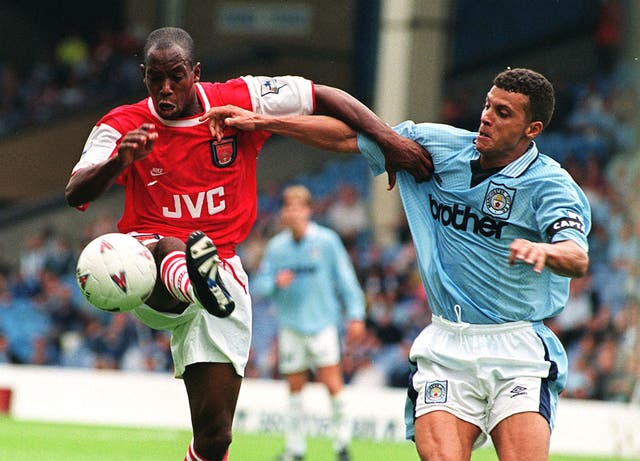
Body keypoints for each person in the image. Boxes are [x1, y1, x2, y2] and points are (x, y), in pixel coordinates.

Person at [64, 26, 431, 461]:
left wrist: (389, 140)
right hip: (150, 264)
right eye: (155, 78)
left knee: (215, 437)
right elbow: (76, 191)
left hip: (222, 269)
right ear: (143, 75)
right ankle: (193, 282)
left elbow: (324, 95)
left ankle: (204, 284)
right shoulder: (121, 125)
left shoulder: (238, 99)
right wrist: (119, 162)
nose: (166, 88)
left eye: (176, 76)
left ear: (195, 72)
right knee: (170, 246)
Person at [199, 68, 592, 461]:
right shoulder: (438, 146)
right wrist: (263, 122)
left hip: (517, 348)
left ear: (532, 129)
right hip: (447, 346)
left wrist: (545, 252)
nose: (487, 116)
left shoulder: (550, 185)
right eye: (488, 105)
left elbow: (577, 256)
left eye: (504, 113)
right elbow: (345, 136)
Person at [252, 185, 366, 461]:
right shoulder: (277, 247)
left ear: (308, 210)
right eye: (288, 206)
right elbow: (260, 286)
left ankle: (341, 445)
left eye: (298, 206)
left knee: (332, 383)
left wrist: (356, 315)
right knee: (294, 388)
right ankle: (295, 449)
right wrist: (274, 283)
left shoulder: (326, 241)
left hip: (322, 324)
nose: (292, 212)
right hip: (291, 326)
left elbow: (346, 279)